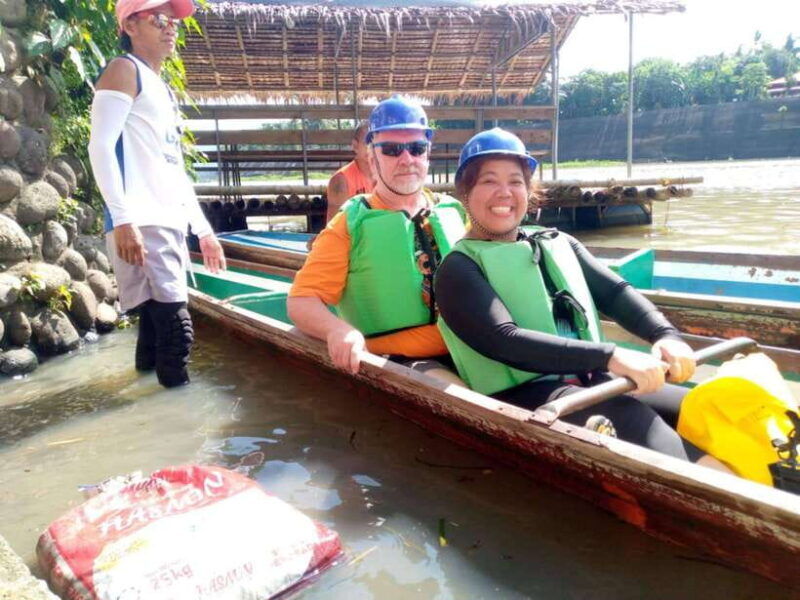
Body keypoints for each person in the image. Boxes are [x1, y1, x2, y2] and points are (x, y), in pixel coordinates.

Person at [433, 127, 731, 468]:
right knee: (631, 418)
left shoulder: (558, 242)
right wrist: (610, 356)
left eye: (516, 181)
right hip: (522, 393)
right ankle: (728, 494)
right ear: (465, 192)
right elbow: (504, 340)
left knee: (705, 406)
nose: (505, 192)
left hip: (590, 375)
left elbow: (615, 294)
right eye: (489, 181)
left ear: (528, 190)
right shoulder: (457, 270)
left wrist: (665, 335)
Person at [88, 0, 226, 388]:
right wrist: (123, 219)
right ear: (130, 26)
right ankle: (181, 417)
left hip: (165, 221)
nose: (171, 27)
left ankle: (145, 406)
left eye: (174, 21)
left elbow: (173, 168)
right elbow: (100, 146)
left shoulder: (160, 87)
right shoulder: (124, 70)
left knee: (153, 325)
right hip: (142, 220)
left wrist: (203, 231)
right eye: (159, 19)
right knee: (177, 329)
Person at [287, 96, 467, 381]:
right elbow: (301, 301)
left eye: (416, 148)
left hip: (468, 346)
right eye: (392, 150)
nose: (406, 159)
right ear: (372, 158)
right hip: (400, 358)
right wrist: (338, 330)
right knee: (460, 395)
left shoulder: (452, 210)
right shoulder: (350, 223)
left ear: (427, 154)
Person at [325, 121, 375, 222]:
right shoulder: (341, 181)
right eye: (367, 143)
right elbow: (334, 225)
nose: (371, 148)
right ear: (355, 146)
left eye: (376, 143)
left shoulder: (387, 176)